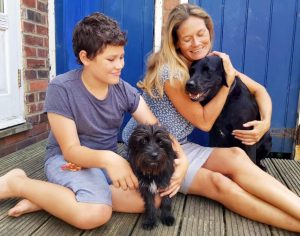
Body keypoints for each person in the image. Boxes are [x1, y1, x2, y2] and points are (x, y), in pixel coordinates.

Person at [0, 12, 188, 229]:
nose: (120, 65)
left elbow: (156, 127)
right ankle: (18, 183)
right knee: (94, 214)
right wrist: (110, 159)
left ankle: (54, 199)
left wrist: (182, 160)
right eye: (111, 59)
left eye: (121, 57)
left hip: (105, 166)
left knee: (155, 198)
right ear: (85, 58)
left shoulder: (123, 91)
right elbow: (70, 150)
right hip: (69, 162)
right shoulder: (61, 89)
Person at [122, 3, 300, 232]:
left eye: (201, 34)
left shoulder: (206, 64)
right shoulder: (171, 72)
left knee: (237, 155)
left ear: (209, 33)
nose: (196, 43)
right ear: (175, 42)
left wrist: (265, 122)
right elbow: (204, 123)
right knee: (220, 183)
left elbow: (260, 91)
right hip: (148, 150)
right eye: (187, 38)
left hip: (179, 145)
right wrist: (227, 79)